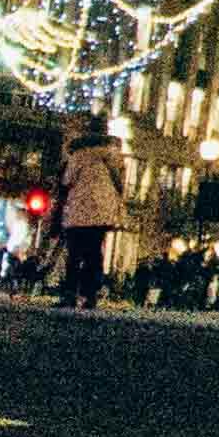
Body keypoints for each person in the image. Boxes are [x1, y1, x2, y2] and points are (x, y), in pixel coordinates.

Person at [54, 127, 131, 306]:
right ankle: (91, 294)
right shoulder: (112, 157)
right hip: (102, 213)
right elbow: (119, 183)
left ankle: (70, 293)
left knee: (74, 254)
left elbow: (67, 181)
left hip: (79, 211)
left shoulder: (78, 156)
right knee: (94, 252)